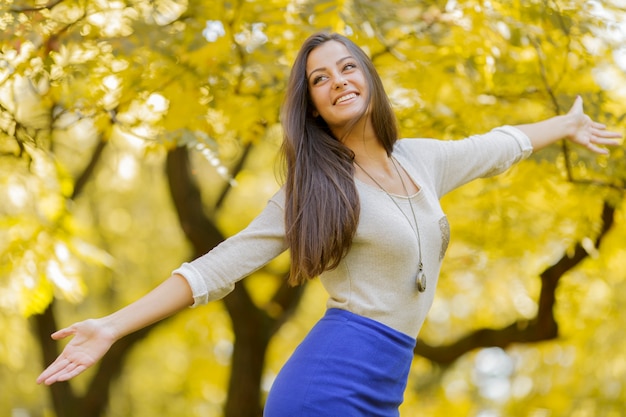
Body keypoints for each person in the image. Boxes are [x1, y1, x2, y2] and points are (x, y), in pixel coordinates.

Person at [37, 32, 621, 416]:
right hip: (328, 383)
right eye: (321, 78)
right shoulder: (313, 189)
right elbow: (219, 265)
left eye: (347, 67)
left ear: (368, 79)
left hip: (386, 382)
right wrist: (112, 326)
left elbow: (500, 145)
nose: (338, 80)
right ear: (312, 104)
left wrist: (564, 125)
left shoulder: (422, 159)